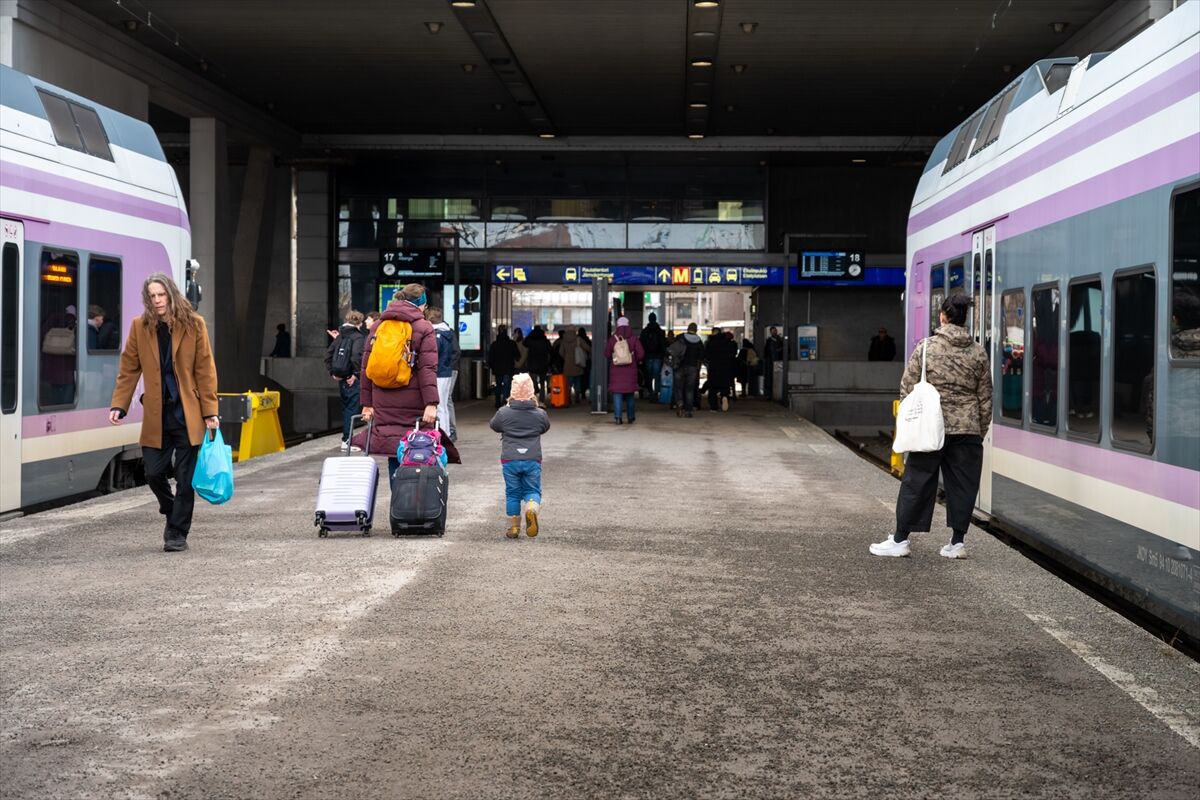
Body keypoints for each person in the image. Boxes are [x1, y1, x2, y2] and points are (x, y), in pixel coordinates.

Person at [871, 294, 992, 560]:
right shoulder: (978, 352)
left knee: (917, 481)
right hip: (967, 429)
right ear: (963, 319)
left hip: (930, 428)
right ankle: (956, 543)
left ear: (943, 316)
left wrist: (910, 421)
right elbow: (985, 398)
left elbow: (907, 387)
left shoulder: (926, 348)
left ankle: (901, 539)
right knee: (963, 485)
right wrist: (978, 431)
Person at [109, 272, 219, 553]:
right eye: (152, 296)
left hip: (188, 414)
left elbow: (205, 370)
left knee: (185, 480)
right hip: (157, 414)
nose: (157, 301)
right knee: (153, 473)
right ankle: (171, 510)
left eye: (161, 295)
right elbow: (129, 368)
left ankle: (177, 533)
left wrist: (210, 412)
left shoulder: (194, 325)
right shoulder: (140, 327)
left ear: (171, 294)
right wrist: (119, 405)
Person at [358, 283, 454, 483]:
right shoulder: (423, 327)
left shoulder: (378, 326)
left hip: (383, 398)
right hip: (413, 401)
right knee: (417, 449)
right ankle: (414, 501)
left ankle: (398, 503)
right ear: (421, 305)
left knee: (394, 449)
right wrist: (431, 403)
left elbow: (366, 367)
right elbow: (427, 369)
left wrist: (367, 403)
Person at [489, 373, 550, 539]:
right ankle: (531, 508)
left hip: (510, 460)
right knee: (532, 490)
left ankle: (513, 528)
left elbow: (494, 425)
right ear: (532, 392)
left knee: (513, 493)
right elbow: (545, 427)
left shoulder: (503, 413)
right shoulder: (539, 414)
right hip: (532, 459)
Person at [324, 310, 365, 451]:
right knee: (352, 410)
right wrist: (356, 374)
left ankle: (346, 440)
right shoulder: (358, 337)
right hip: (351, 379)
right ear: (359, 322)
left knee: (346, 409)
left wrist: (332, 374)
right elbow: (356, 358)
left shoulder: (340, 336)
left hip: (341, 378)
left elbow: (328, 357)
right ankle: (347, 441)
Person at [426, 306, 460, 442]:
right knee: (444, 405)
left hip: (439, 372)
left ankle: (441, 434)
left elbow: (433, 354)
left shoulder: (436, 336)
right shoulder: (448, 333)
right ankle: (445, 432)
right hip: (446, 371)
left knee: (439, 404)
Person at [604, 316, 645, 424]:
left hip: (616, 370)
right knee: (630, 395)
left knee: (617, 394)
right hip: (630, 370)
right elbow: (641, 354)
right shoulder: (634, 338)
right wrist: (634, 358)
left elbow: (606, 354)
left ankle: (618, 418)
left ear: (617, 325)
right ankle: (630, 417)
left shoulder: (613, 339)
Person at [668, 323, 705, 417]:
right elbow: (701, 356)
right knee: (690, 390)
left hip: (679, 366)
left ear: (688, 328)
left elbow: (672, 350)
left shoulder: (680, 337)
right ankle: (688, 411)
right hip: (692, 368)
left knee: (678, 388)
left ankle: (679, 403)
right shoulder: (699, 341)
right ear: (696, 330)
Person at [705, 326, 737, 412]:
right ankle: (725, 397)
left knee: (713, 389)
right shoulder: (728, 343)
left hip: (714, 368)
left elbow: (706, 356)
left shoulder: (710, 343)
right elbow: (732, 355)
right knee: (725, 387)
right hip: (726, 368)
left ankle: (713, 407)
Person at [555, 324, 589, 404]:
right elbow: (588, 348)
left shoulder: (564, 340)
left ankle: (568, 397)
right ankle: (577, 398)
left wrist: (566, 357)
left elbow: (561, 352)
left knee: (568, 383)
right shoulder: (578, 339)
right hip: (578, 363)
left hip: (567, 365)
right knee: (577, 382)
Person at [487, 325, 520, 408]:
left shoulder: (494, 344)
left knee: (498, 385)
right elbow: (517, 355)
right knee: (507, 386)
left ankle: (497, 402)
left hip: (498, 369)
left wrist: (491, 366)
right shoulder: (511, 343)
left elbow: (491, 357)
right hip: (508, 368)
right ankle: (506, 402)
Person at [640, 312, 667, 401]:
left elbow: (641, 344)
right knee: (657, 375)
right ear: (655, 319)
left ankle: (650, 392)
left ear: (649, 319)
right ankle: (656, 392)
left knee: (649, 376)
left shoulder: (645, 331)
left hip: (648, 356)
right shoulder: (660, 331)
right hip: (658, 356)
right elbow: (663, 344)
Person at [524, 325, 553, 400]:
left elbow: (524, 342)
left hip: (532, 363)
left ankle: (533, 398)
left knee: (533, 382)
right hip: (543, 364)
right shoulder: (545, 341)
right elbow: (551, 351)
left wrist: (530, 334)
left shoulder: (530, 341)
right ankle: (542, 399)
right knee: (542, 382)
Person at [763, 326, 784, 399]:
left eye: (775, 331)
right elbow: (766, 352)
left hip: (778, 361)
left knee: (778, 377)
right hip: (770, 362)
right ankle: (770, 394)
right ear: (770, 332)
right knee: (770, 378)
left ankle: (777, 393)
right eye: (773, 331)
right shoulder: (769, 341)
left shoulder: (780, 340)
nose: (774, 332)